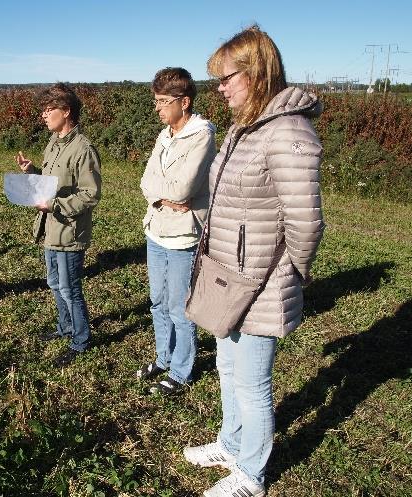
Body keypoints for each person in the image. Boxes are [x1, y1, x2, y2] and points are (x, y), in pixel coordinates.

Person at [182, 26, 325, 497]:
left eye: (226, 77)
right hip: (230, 277)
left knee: (253, 383)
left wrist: (293, 273)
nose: (219, 87)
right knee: (227, 366)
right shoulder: (247, 126)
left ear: (257, 72)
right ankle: (231, 443)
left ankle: (251, 476)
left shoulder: (287, 130)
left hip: (263, 281)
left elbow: (305, 221)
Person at [137, 68, 216, 395]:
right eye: (155, 101)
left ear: (184, 102)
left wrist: (169, 194)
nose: (157, 108)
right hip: (156, 230)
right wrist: (163, 195)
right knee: (157, 301)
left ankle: (182, 372)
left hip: (183, 235)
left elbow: (184, 189)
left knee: (179, 306)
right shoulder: (164, 134)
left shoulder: (202, 136)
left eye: (162, 101)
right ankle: (164, 356)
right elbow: (144, 182)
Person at [15, 83, 101, 367]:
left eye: (49, 109)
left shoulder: (83, 149)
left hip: (68, 231)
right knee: (54, 283)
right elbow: (53, 182)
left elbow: (90, 195)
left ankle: (81, 340)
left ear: (66, 112)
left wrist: (55, 205)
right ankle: (65, 327)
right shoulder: (53, 142)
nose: (44, 115)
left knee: (70, 288)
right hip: (50, 228)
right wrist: (32, 172)